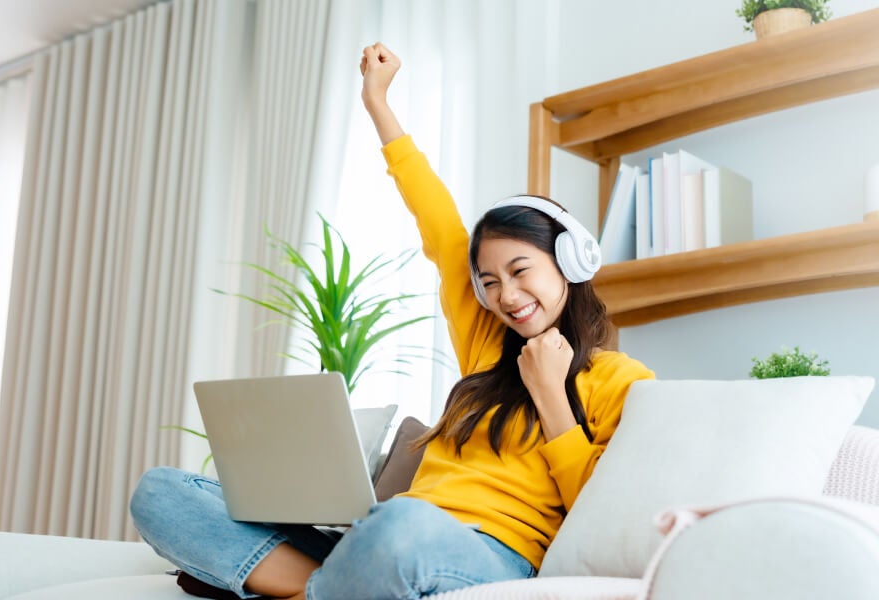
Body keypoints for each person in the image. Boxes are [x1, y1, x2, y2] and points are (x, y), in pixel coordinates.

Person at [129, 43, 654, 600]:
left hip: (486, 554)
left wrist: (551, 398)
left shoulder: (620, 380)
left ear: (572, 261)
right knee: (161, 492)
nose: (506, 295)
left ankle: (304, 585)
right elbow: (440, 223)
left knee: (402, 526)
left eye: (521, 270)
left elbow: (601, 512)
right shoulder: (486, 347)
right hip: (385, 537)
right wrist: (377, 101)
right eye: (490, 281)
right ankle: (324, 588)